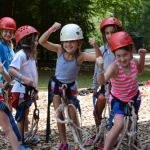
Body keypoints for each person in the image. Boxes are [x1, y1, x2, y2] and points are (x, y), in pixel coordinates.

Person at [39, 22, 99, 150]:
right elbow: (42, 41)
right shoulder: (60, 50)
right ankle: (63, 142)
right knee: (59, 115)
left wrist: (95, 46)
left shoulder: (80, 56)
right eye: (66, 41)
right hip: (56, 87)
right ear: (62, 43)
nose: (68, 44)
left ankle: (77, 142)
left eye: (72, 41)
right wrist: (51, 29)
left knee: (73, 117)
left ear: (79, 43)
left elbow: (98, 58)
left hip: (70, 89)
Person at [96, 31, 146, 150]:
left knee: (130, 126)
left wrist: (142, 57)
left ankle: (132, 146)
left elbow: (139, 70)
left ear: (131, 52)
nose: (122, 59)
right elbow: (102, 81)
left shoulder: (133, 61)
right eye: (118, 56)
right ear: (114, 55)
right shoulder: (114, 67)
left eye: (125, 55)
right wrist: (100, 68)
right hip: (119, 100)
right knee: (119, 125)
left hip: (134, 98)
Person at [88, 17, 122, 146]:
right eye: (107, 33)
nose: (109, 36)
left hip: (118, 87)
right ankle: (99, 134)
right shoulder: (102, 50)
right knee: (97, 111)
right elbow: (97, 68)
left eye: (112, 32)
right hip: (104, 86)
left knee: (115, 113)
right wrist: (95, 86)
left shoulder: (121, 49)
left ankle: (113, 137)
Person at [8, 25, 40, 150]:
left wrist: (35, 90)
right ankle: (20, 142)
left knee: (25, 115)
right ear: (28, 41)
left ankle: (24, 136)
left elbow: (32, 73)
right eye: (35, 40)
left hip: (27, 91)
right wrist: (24, 79)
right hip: (20, 91)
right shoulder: (21, 54)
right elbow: (11, 69)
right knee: (20, 117)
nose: (37, 43)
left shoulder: (30, 55)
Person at [0, 17, 16, 114]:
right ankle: (6, 124)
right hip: (4, 79)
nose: (8, 34)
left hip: (10, 79)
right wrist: (0, 80)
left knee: (9, 100)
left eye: (10, 32)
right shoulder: (0, 45)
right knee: (5, 101)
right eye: (6, 31)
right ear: (1, 31)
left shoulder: (9, 45)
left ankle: (10, 122)